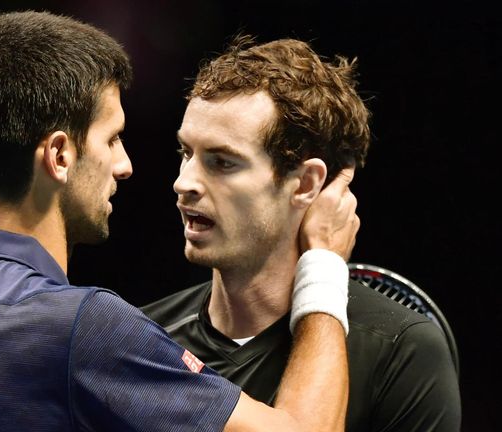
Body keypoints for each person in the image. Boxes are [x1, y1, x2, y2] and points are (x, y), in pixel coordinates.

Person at [0, 12, 359, 431]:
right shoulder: (83, 326)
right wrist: (324, 265)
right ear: (60, 155)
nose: (125, 164)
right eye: (112, 139)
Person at [141, 37, 462, 431]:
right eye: (185, 153)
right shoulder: (142, 340)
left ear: (306, 182)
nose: (184, 182)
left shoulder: (401, 351)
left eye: (222, 162)